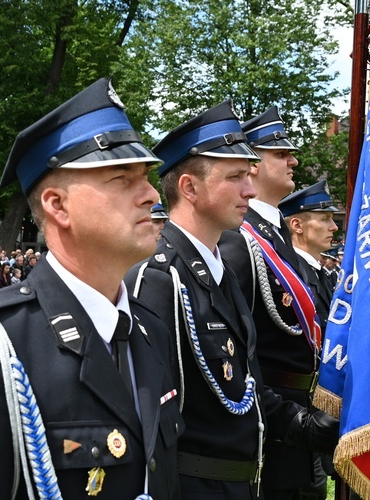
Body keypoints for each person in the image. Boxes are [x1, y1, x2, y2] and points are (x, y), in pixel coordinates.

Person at [0, 78, 183, 499]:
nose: (150, 194)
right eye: (122, 178)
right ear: (58, 205)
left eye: (145, 177)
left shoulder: (150, 331)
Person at [127, 101, 337, 500]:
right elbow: (151, 422)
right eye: (236, 177)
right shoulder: (159, 277)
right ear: (189, 187)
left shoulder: (218, 269)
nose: (251, 189)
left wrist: (304, 426)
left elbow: (245, 384)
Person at [218, 107, 334, 499]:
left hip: (299, 414)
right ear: (250, 165)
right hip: (274, 422)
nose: (293, 160)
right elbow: (236, 348)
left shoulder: (273, 234)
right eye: (280, 153)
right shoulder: (239, 239)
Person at [279, 180, 340, 334]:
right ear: (297, 226)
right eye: (325, 219)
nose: (334, 227)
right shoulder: (288, 273)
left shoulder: (318, 273)